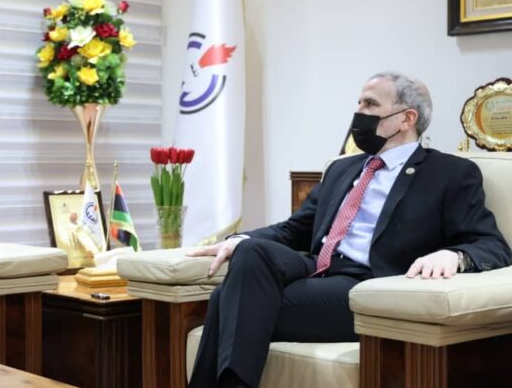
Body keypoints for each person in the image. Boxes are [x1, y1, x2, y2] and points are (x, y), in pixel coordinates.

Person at [186, 71, 511, 388]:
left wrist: (454, 255)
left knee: (226, 299)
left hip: (368, 283)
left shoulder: (449, 173)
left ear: (407, 118)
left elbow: (491, 244)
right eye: (359, 103)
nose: (359, 113)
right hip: (318, 268)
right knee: (251, 252)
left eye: (370, 104)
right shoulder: (342, 168)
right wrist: (240, 239)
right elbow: (295, 229)